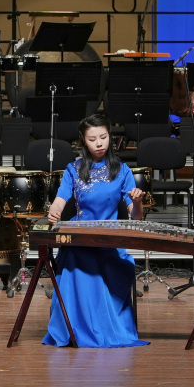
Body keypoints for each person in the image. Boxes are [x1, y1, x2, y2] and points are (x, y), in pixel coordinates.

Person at [42, 113, 148, 348]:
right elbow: (60, 200)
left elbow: (136, 216)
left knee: (111, 264)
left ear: (110, 136)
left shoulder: (122, 170)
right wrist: (54, 211)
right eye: (92, 139)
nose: (99, 143)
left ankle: (101, 327)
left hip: (109, 241)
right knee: (72, 260)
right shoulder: (73, 169)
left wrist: (137, 201)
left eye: (103, 137)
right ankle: (73, 328)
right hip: (79, 240)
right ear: (83, 141)